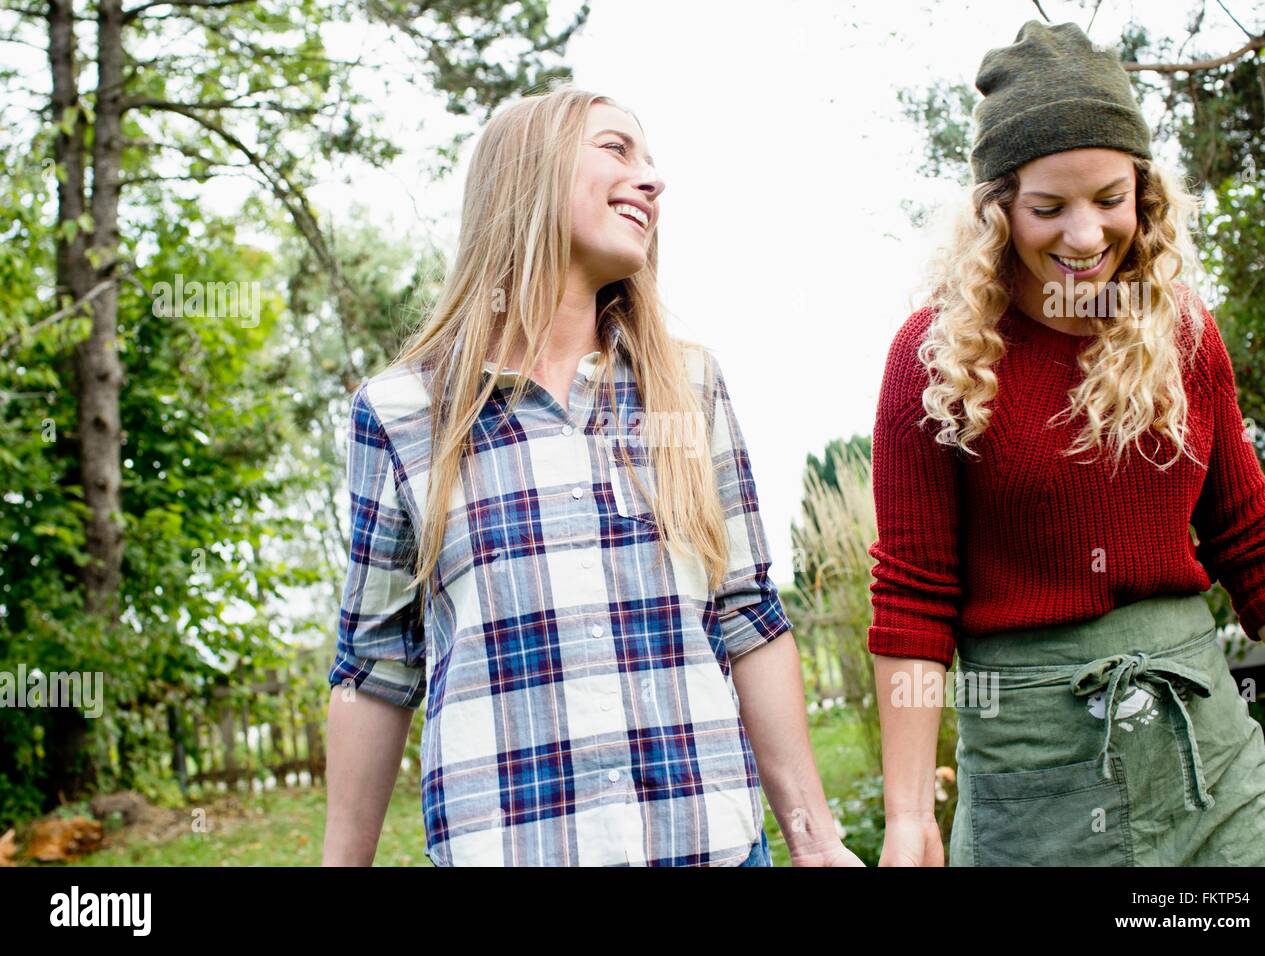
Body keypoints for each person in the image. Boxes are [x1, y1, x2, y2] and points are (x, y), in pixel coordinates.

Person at [321, 87, 861, 867]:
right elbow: (376, 666)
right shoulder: (403, 411)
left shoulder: (690, 386)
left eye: (648, 158)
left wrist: (814, 840)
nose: (653, 180)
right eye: (617, 149)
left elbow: (747, 615)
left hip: (709, 848)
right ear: (528, 172)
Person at [869, 21, 1265, 866]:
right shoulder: (932, 360)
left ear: (1145, 191)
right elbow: (914, 596)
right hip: (1037, 773)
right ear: (997, 208)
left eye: (1109, 198)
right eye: (1048, 207)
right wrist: (908, 815)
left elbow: (1252, 541)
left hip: (1208, 754)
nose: (1084, 235)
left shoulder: (1182, 336)